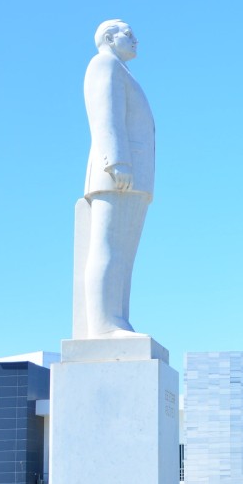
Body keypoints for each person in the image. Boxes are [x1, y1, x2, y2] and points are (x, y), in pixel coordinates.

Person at [76, 19, 155, 339]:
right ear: (109, 37)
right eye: (129, 34)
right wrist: (117, 160)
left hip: (135, 176)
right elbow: (104, 115)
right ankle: (104, 324)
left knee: (124, 254)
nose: (136, 39)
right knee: (108, 248)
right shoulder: (103, 64)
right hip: (117, 171)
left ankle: (119, 319)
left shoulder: (122, 70)